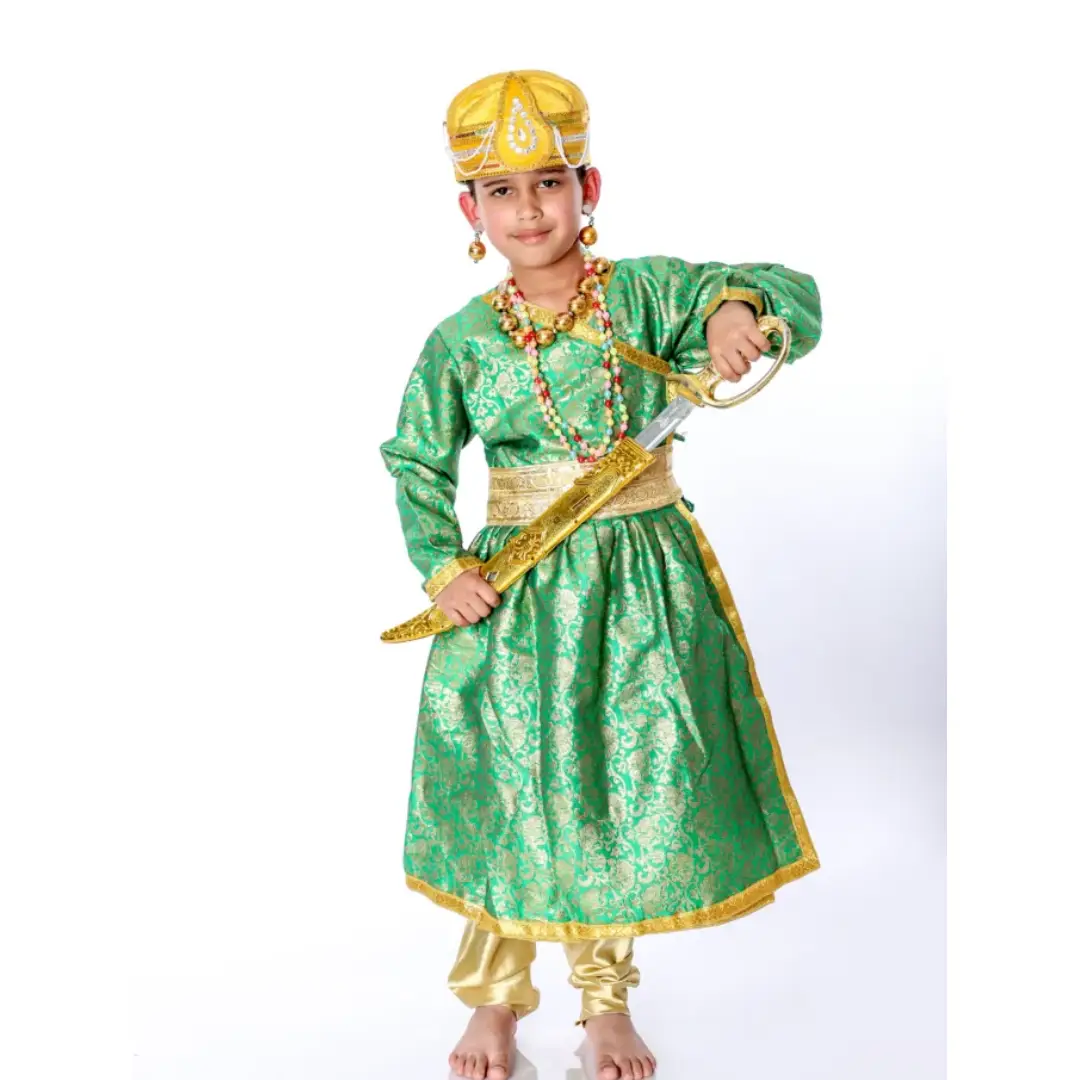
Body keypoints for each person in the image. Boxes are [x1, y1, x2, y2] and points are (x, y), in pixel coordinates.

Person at [379, 70, 823, 1080]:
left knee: (615, 784)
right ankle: (494, 1000)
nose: (528, 209)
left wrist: (735, 312)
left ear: (589, 188)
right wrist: (442, 567)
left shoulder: (647, 295)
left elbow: (780, 286)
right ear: (469, 211)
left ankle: (604, 1005)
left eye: (548, 182)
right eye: (500, 191)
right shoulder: (462, 341)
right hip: (518, 595)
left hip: (643, 588)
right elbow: (415, 460)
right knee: (510, 787)